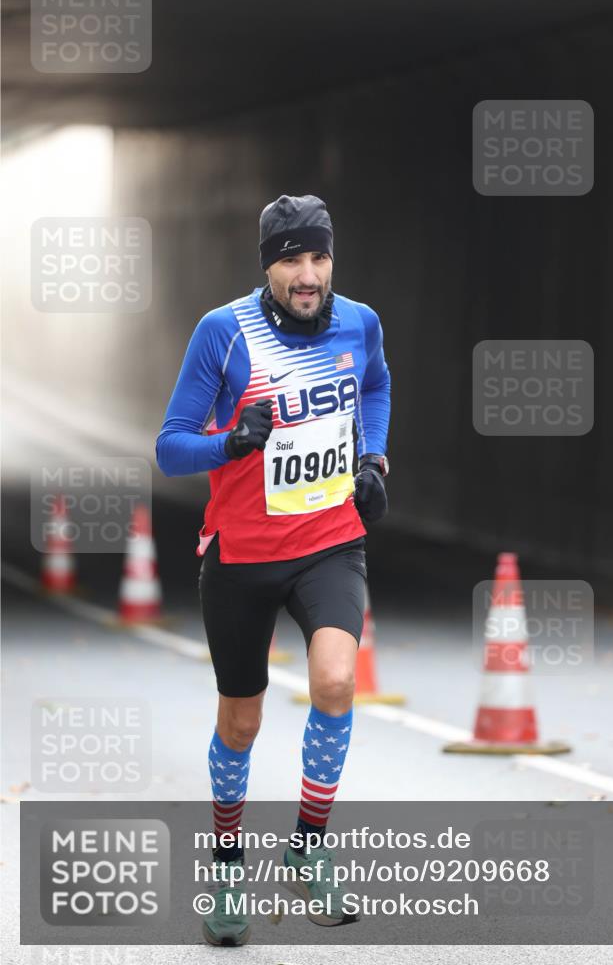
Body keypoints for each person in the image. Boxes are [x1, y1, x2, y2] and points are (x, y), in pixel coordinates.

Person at [156, 194, 390, 945]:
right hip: (242, 556)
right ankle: (227, 869)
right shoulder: (224, 334)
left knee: (333, 680)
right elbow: (169, 446)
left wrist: (374, 457)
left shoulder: (360, 321)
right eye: (292, 258)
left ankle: (308, 847)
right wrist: (230, 442)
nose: (308, 272)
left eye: (318, 256)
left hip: (329, 541)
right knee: (242, 720)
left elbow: (375, 385)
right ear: (269, 265)